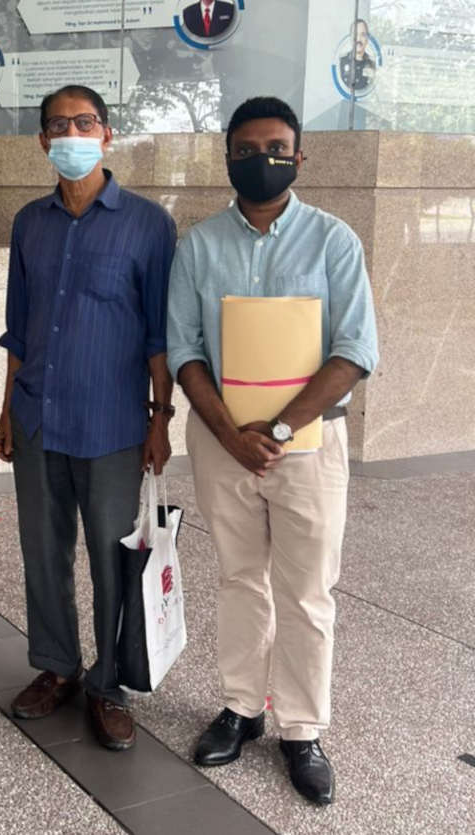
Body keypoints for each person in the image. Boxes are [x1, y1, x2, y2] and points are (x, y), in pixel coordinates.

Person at [167, 97, 379, 804]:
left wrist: (281, 430)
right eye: (249, 147)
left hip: (309, 447)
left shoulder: (334, 241)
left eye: (278, 146)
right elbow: (185, 351)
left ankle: (302, 728)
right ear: (228, 156)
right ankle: (240, 708)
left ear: (299, 155)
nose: (264, 158)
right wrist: (231, 433)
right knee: (239, 577)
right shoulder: (197, 246)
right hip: (222, 442)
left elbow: (353, 351)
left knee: (308, 590)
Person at [0, 85, 176, 750]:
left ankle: (109, 683)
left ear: (107, 133)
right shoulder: (29, 223)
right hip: (39, 415)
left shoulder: (149, 225)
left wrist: (162, 419)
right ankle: (58, 667)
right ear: (43, 141)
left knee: (109, 558)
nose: (71, 133)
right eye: (57, 125)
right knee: (42, 553)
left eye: (84, 122)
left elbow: (160, 334)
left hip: (112, 425)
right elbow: (18, 328)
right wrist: (8, 409)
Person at [340, 19, 376, 92]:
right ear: (350, 38)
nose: (358, 39)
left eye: (362, 35)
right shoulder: (342, 61)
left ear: (367, 39)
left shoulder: (372, 64)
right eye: (355, 35)